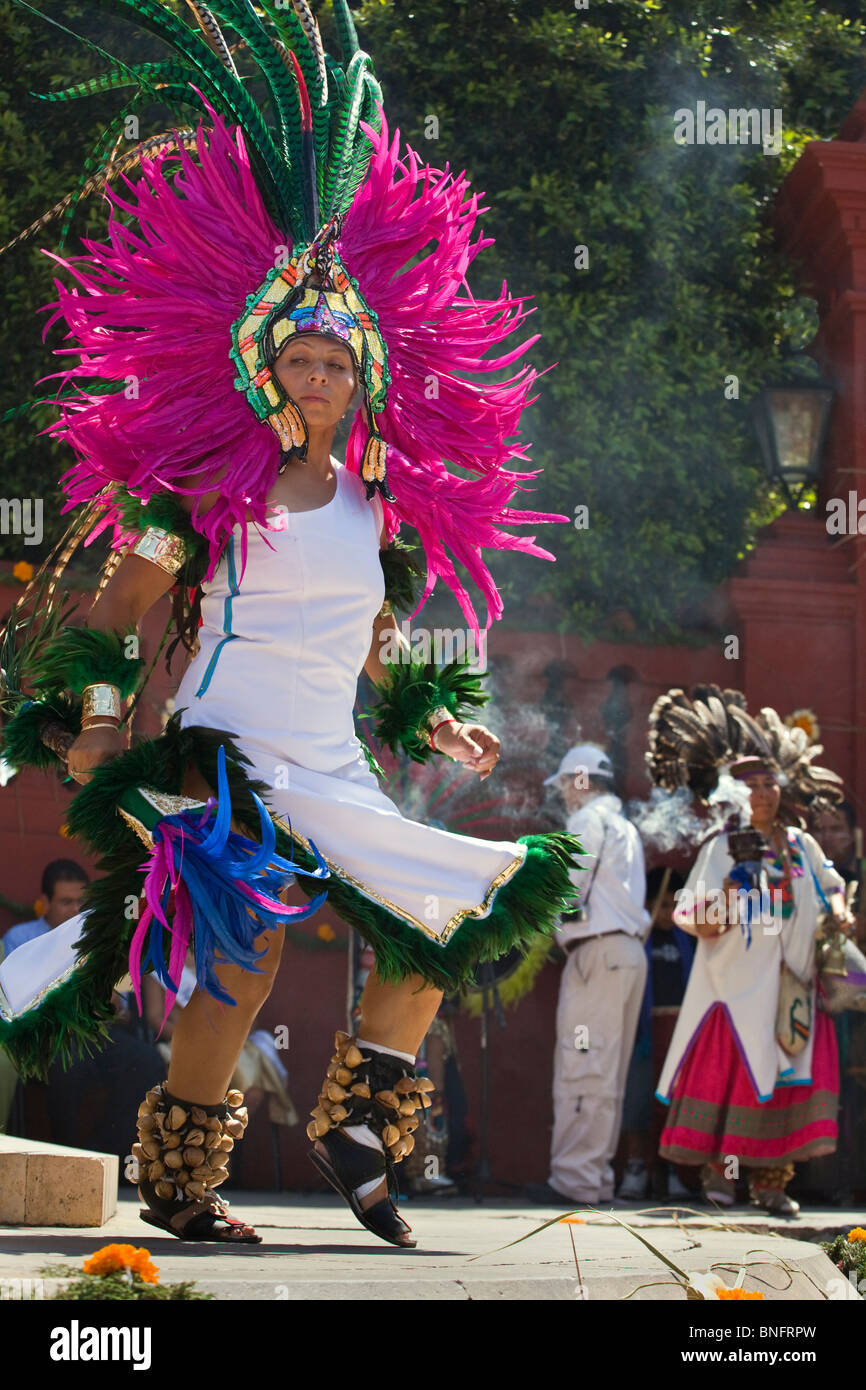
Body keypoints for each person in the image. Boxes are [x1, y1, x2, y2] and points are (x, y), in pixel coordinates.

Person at [0, 0, 583, 1249]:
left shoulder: (382, 514)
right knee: (244, 958)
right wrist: (99, 726)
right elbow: (112, 610)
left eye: (335, 361)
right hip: (224, 759)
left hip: (331, 761)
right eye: (299, 358)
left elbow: (374, 657)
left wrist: (431, 715)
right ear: (265, 367)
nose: (316, 376)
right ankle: (177, 1174)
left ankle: (361, 1120)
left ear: (361, 374)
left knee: (461, 905)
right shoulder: (201, 496)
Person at [657, 754, 851, 1214]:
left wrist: (840, 910)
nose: (762, 793)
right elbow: (692, 917)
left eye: (770, 783)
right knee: (734, 1082)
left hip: (792, 987)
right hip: (735, 990)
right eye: (752, 786)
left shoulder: (801, 845)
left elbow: (832, 883)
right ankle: (721, 1179)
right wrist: (728, 892)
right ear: (735, 794)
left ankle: (771, 1184)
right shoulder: (723, 846)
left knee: (784, 1082)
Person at [527, 744, 650, 1206]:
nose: (561, 793)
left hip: (596, 953)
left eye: (564, 783)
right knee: (607, 1072)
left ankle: (575, 1181)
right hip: (624, 953)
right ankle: (593, 1179)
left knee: (583, 1064)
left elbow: (566, 886)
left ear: (580, 780)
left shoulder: (586, 821)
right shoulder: (625, 826)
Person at [617, 867, 695, 1201]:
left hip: (678, 1030)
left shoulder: (688, 940)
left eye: (675, 905)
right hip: (643, 1032)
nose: (669, 913)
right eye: (662, 905)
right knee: (637, 1100)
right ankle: (636, 1168)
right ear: (647, 905)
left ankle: (671, 1171)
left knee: (672, 1104)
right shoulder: (638, 939)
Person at [1, 860, 88, 956]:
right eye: (66, 902)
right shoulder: (20, 939)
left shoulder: (94, 936)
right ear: (45, 903)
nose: (76, 909)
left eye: (81, 901)